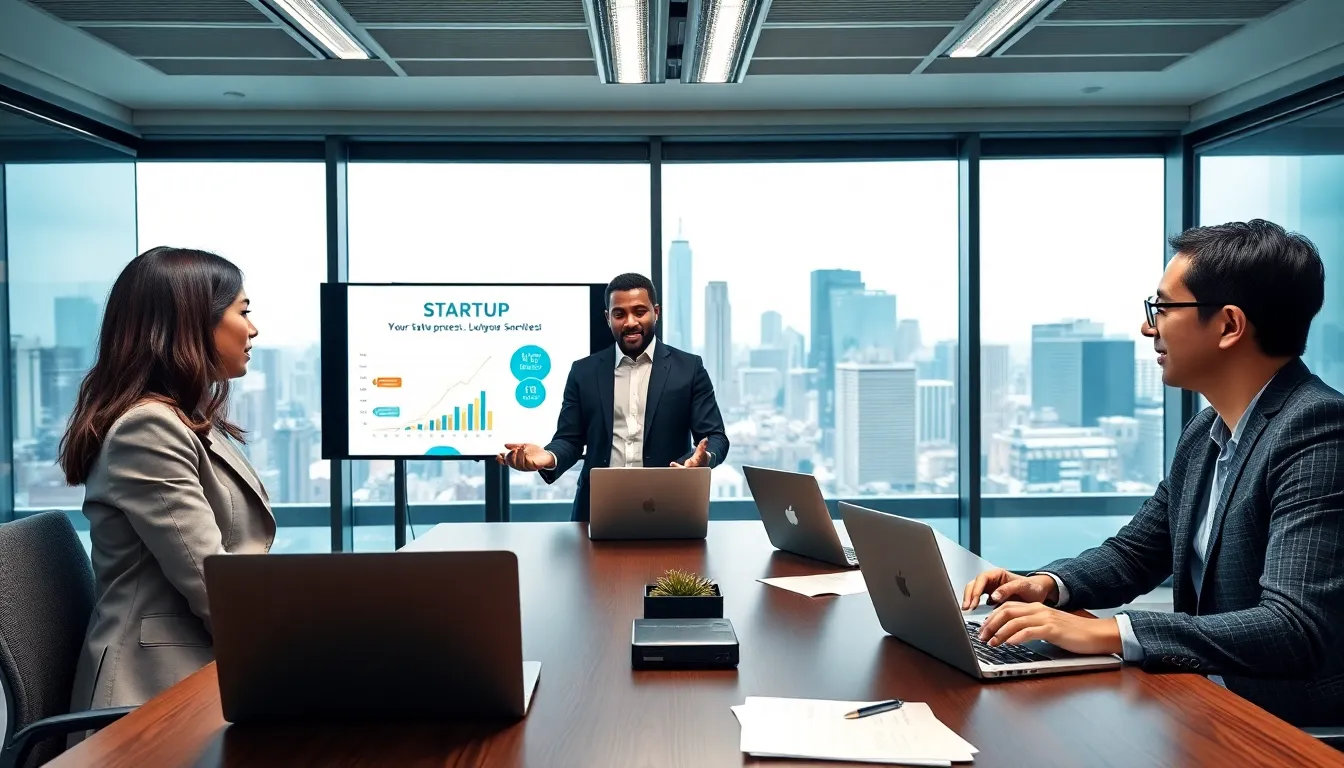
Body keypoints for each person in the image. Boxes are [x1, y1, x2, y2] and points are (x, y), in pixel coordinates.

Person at [961, 219, 1344, 726]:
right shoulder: (1206, 431)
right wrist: (1047, 586)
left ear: (1229, 325)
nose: (1149, 327)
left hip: (1284, 724)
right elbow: (1137, 553)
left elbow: (1293, 628)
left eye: (1162, 308)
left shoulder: (1319, 431)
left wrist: (1105, 632)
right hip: (1203, 703)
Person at [61, 246, 275, 712]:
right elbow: (211, 582)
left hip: (203, 671)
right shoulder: (149, 429)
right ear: (194, 321)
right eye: (244, 311)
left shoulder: (189, 420)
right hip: (155, 695)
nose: (253, 328)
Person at [498, 272, 729, 522]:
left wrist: (704, 458)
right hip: (597, 510)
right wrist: (548, 456)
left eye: (640, 311)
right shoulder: (583, 371)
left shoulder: (689, 368)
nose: (630, 322)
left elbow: (715, 436)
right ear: (608, 318)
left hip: (669, 506)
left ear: (656, 312)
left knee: (671, 564)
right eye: (619, 314)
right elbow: (570, 439)